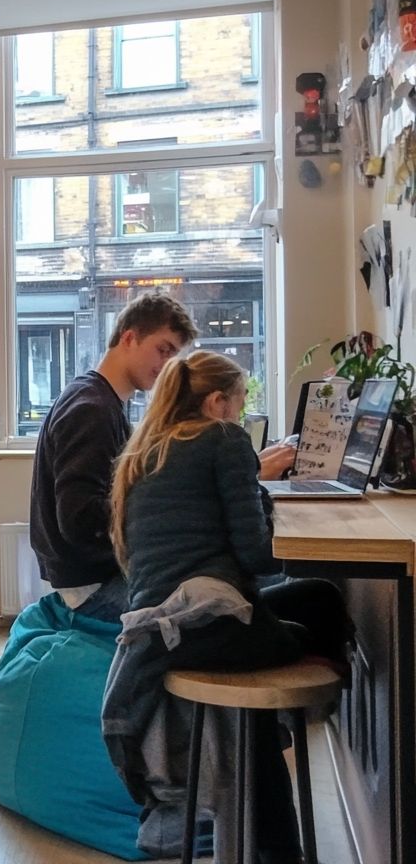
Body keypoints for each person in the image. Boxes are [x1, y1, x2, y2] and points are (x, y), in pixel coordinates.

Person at [103, 351, 353, 862]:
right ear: (217, 402)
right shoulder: (224, 440)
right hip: (207, 625)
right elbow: (258, 558)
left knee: (315, 599)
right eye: (239, 405)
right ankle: (294, 752)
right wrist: (260, 493)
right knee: (318, 613)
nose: (240, 416)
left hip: (158, 630)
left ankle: (271, 830)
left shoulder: (144, 450)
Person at [29, 292, 297, 622]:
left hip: (104, 575)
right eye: (163, 349)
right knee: (283, 583)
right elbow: (79, 520)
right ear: (129, 337)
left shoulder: (101, 403)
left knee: (265, 583)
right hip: (95, 586)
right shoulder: (91, 411)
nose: (167, 365)